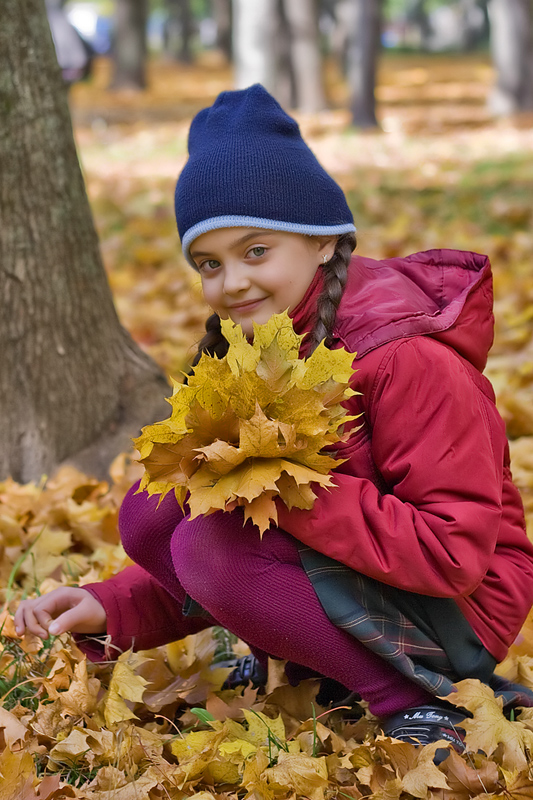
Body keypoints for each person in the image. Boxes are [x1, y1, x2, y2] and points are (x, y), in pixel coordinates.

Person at [15, 84, 533, 749]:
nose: (231, 283)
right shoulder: (256, 347)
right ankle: (322, 660)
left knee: (210, 544)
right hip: (365, 574)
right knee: (153, 510)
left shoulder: (404, 357)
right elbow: (231, 530)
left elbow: (452, 551)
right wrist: (111, 607)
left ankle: (417, 701)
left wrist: (282, 483)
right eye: (209, 263)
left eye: (255, 251)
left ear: (322, 244)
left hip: (461, 609)